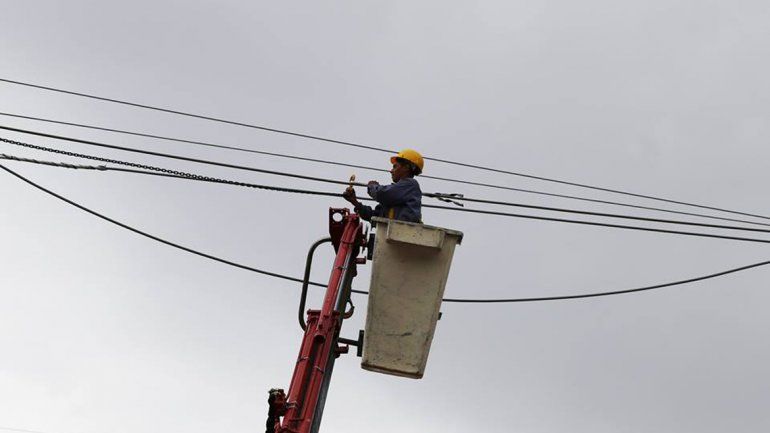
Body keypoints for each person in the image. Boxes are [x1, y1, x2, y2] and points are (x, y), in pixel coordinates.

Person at [343, 149, 424, 223]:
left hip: (404, 234)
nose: (391, 171)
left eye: (395, 166)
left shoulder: (410, 184)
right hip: (392, 234)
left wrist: (373, 186)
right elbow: (375, 216)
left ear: (406, 167)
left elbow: (382, 193)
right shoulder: (397, 196)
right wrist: (355, 202)